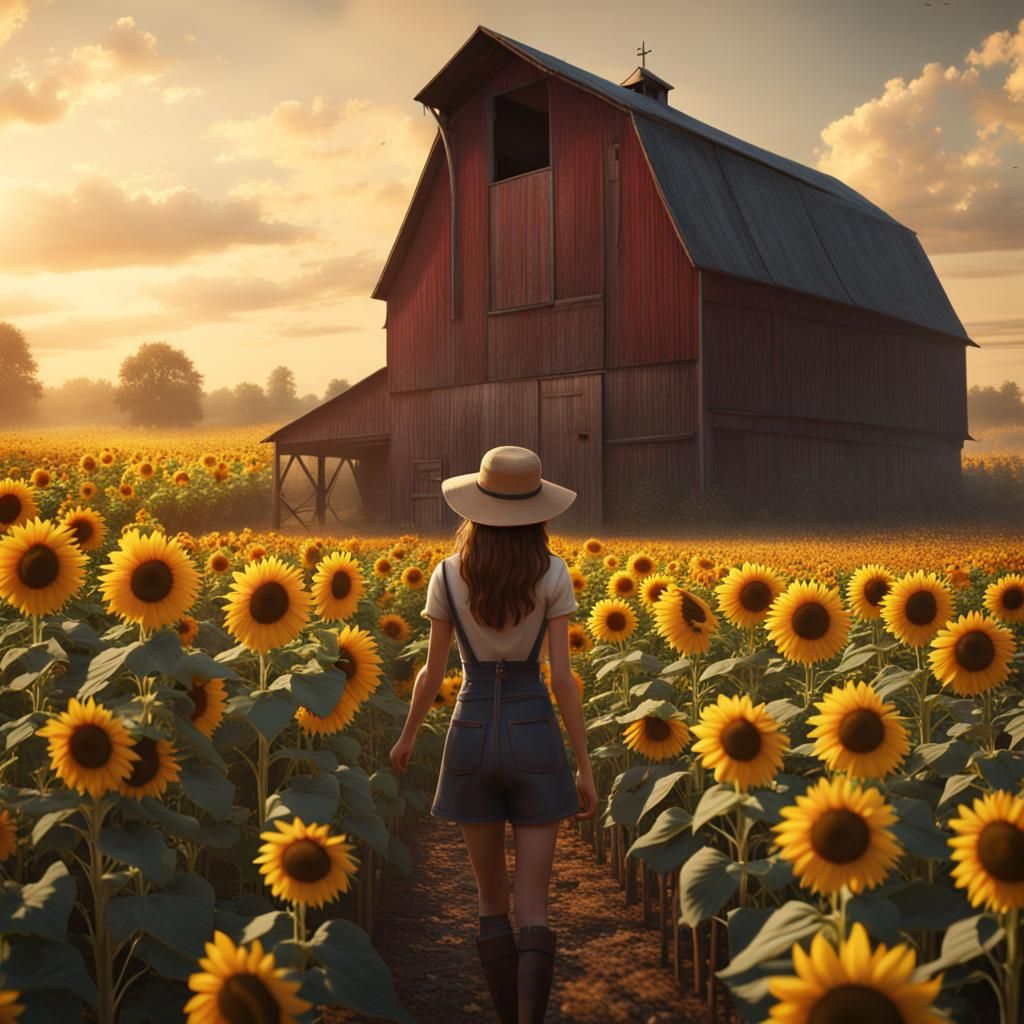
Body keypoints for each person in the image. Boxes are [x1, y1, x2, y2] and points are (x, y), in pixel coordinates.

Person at [390, 445, 599, 1023]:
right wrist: (582, 765)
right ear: (538, 512)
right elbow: (562, 679)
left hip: (471, 734)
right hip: (534, 734)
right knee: (535, 905)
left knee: (490, 902)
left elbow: (432, 673)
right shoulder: (553, 573)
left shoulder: (447, 574)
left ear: (476, 508)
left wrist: (408, 737)